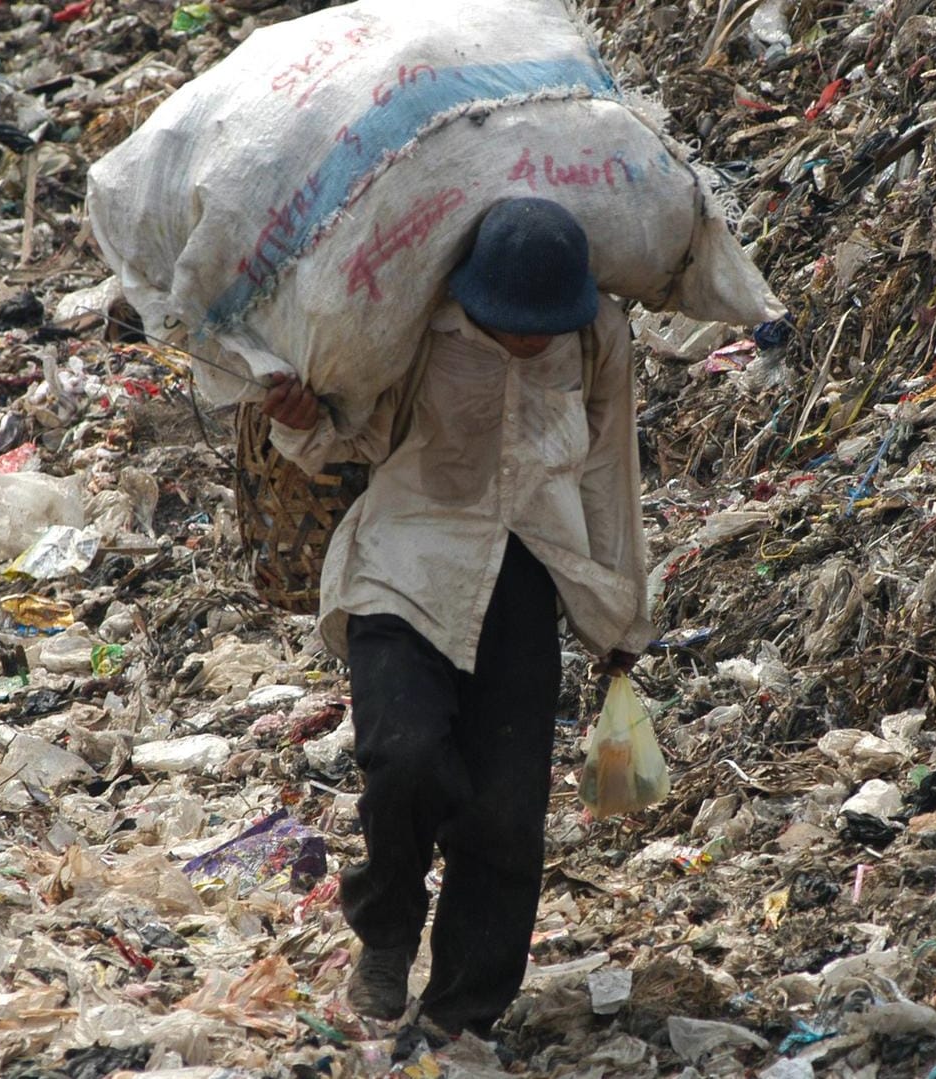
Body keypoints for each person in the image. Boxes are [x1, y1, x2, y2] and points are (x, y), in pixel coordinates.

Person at [258, 197, 652, 1037]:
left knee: (506, 815)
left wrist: (619, 622)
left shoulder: (597, 337)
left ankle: (458, 1017)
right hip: (406, 563)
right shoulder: (415, 320)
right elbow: (349, 432)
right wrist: (302, 420)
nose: (526, 341)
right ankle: (388, 932)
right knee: (401, 756)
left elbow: (611, 471)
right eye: (512, 326)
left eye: (541, 328)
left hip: (526, 574)